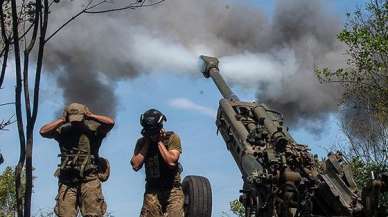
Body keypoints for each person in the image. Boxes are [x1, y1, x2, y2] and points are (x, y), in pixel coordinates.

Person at [40, 103, 114, 217]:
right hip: (67, 180)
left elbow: (110, 123)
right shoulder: (63, 131)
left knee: (93, 214)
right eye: (73, 119)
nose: (76, 122)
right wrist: (61, 120)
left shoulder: (93, 130)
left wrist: (91, 116)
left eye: (78, 119)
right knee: (65, 214)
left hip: (89, 179)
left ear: (84, 117)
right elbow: (43, 132)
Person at [131, 109, 184, 217]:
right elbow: (136, 165)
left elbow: (171, 162)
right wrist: (147, 142)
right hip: (152, 190)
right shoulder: (141, 142)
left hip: (172, 190)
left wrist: (159, 141)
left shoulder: (172, 138)